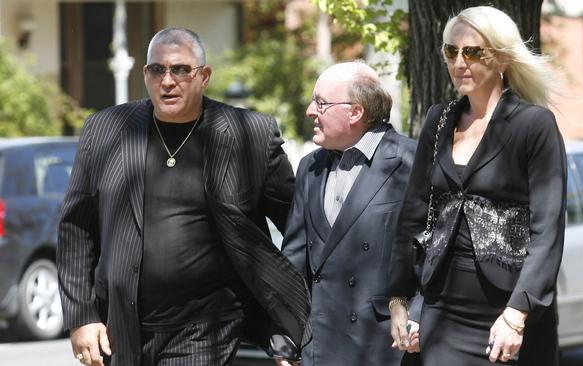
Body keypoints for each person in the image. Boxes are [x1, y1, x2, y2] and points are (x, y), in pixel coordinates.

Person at [57, 27, 310, 366]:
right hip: (121, 323)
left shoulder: (250, 134)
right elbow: (76, 228)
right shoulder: (105, 130)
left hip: (207, 324)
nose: (167, 80)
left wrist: (285, 320)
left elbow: (296, 227)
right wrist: (81, 316)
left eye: (180, 70)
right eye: (157, 70)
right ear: (146, 75)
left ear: (204, 76)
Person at [387, 6, 567, 366]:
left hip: (506, 314)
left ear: (501, 59)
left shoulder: (533, 125)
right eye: (451, 52)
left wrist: (517, 315)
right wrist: (399, 302)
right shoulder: (439, 120)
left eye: (472, 52)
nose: (459, 62)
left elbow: (547, 230)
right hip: (440, 310)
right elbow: (412, 216)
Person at [280, 62, 421, 366]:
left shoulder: (412, 163)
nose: (309, 110)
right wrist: (285, 338)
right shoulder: (309, 167)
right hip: (318, 347)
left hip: (387, 346)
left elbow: (434, 258)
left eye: (320, 103)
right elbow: (293, 261)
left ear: (355, 112)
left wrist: (417, 317)